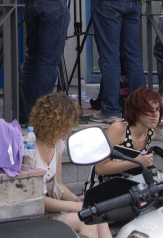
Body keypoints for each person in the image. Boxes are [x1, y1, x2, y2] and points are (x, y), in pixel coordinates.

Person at [28, 93, 113, 238]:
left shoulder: (58, 145)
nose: (69, 130)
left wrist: (76, 199)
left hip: (52, 207)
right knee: (87, 221)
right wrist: (75, 206)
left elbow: (59, 184)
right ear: (53, 122)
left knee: (98, 213)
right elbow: (35, 199)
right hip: (35, 214)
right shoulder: (29, 147)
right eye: (66, 125)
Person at [92, 87, 162, 183]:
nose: (155, 114)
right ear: (136, 110)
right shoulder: (119, 128)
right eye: (149, 110)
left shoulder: (150, 133)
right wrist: (137, 162)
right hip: (103, 184)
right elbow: (99, 168)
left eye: (157, 109)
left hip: (129, 184)